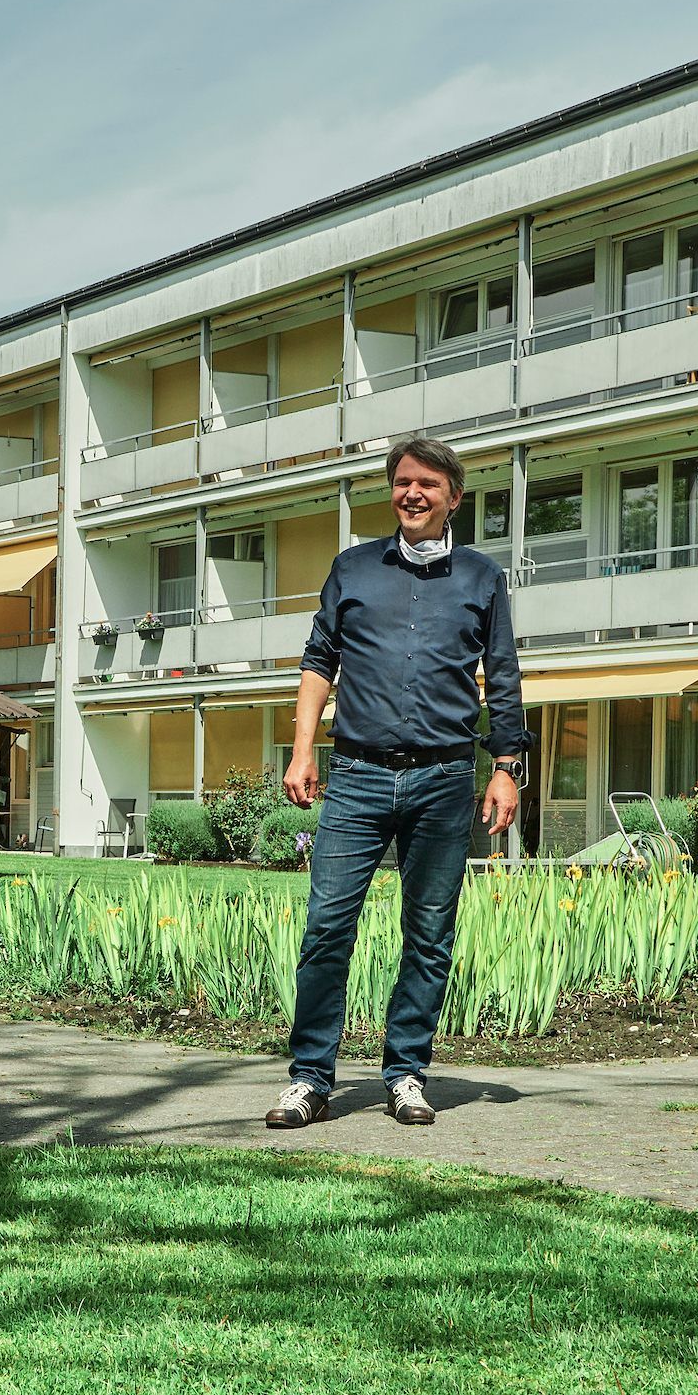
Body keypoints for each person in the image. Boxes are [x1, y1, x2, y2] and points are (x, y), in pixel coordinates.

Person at [265, 437, 531, 1129]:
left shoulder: (482, 578)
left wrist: (506, 768)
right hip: (355, 775)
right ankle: (309, 1078)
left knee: (429, 932)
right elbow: (319, 658)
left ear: (454, 499)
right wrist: (302, 751)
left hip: (445, 778)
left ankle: (406, 1071)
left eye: (428, 485)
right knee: (327, 927)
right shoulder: (352, 568)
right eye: (403, 482)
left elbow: (502, 678)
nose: (413, 494)